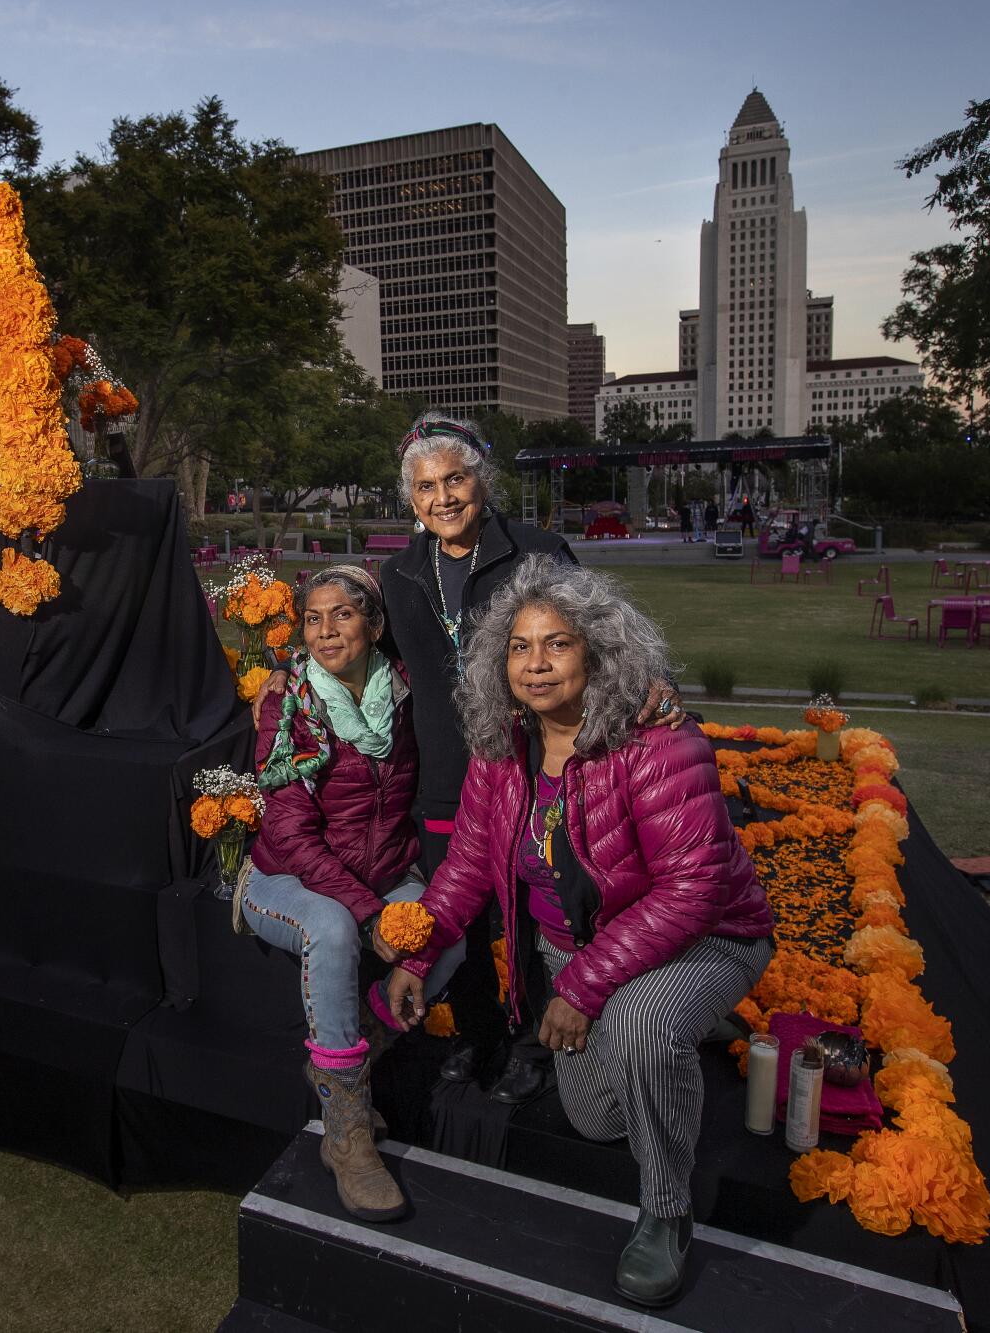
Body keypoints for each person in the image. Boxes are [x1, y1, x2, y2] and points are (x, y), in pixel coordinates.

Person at [259, 411, 685, 1105]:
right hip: (445, 782)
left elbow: (602, 638)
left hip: (540, 773)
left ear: (480, 481)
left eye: (455, 479)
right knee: (457, 918)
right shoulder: (397, 573)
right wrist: (285, 670)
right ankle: (480, 1034)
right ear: (413, 498)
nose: (444, 497)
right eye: (427, 486)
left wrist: (654, 680)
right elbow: (356, 641)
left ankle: (532, 1049)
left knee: (536, 913)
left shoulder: (539, 553)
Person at [385, 558, 775, 1308]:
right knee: (596, 1118)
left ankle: (667, 1211)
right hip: (584, 954)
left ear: (596, 651)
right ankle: (673, 1035)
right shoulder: (502, 750)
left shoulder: (659, 744)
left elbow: (695, 891)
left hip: (705, 937)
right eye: (520, 646)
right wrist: (420, 948)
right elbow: (466, 862)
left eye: (557, 644)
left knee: (642, 1021)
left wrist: (586, 984)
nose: (536, 664)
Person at [241, 565, 465, 1222]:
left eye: (342, 614)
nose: (326, 629)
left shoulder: (407, 694)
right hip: (286, 877)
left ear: (373, 625)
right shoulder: (290, 705)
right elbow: (288, 831)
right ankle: (347, 1132)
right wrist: (372, 914)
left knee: (443, 932)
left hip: (385, 870)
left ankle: (352, 1048)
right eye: (313, 618)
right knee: (334, 927)